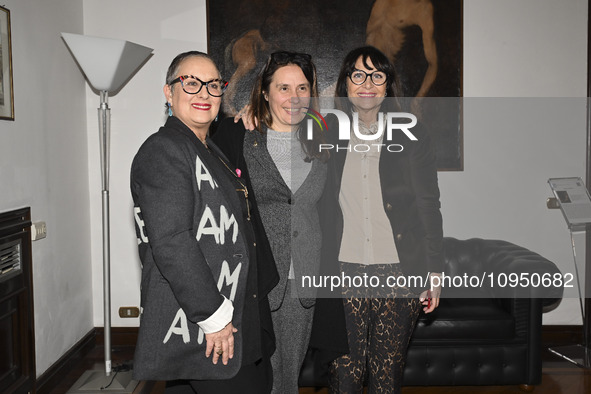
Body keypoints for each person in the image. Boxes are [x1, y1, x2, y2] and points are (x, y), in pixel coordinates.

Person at [130, 50, 278, 394]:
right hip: (207, 327)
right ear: (169, 92)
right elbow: (172, 242)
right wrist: (214, 318)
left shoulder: (207, 149)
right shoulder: (163, 149)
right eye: (191, 83)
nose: (204, 94)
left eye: (213, 85)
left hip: (229, 318)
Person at [312, 46, 443, 394]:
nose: (367, 83)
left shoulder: (412, 133)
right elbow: (279, 128)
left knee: (385, 379)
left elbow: (429, 204)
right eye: (358, 74)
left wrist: (434, 271)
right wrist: (250, 111)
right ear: (345, 84)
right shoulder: (325, 132)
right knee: (345, 377)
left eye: (377, 75)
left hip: (399, 271)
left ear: (387, 85)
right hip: (342, 270)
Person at [213, 51, 328, 394]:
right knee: (255, 378)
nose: (294, 98)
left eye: (303, 88)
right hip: (254, 278)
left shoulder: (323, 138)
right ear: (264, 92)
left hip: (303, 277)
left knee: (288, 379)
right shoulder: (239, 136)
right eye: (283, 88)